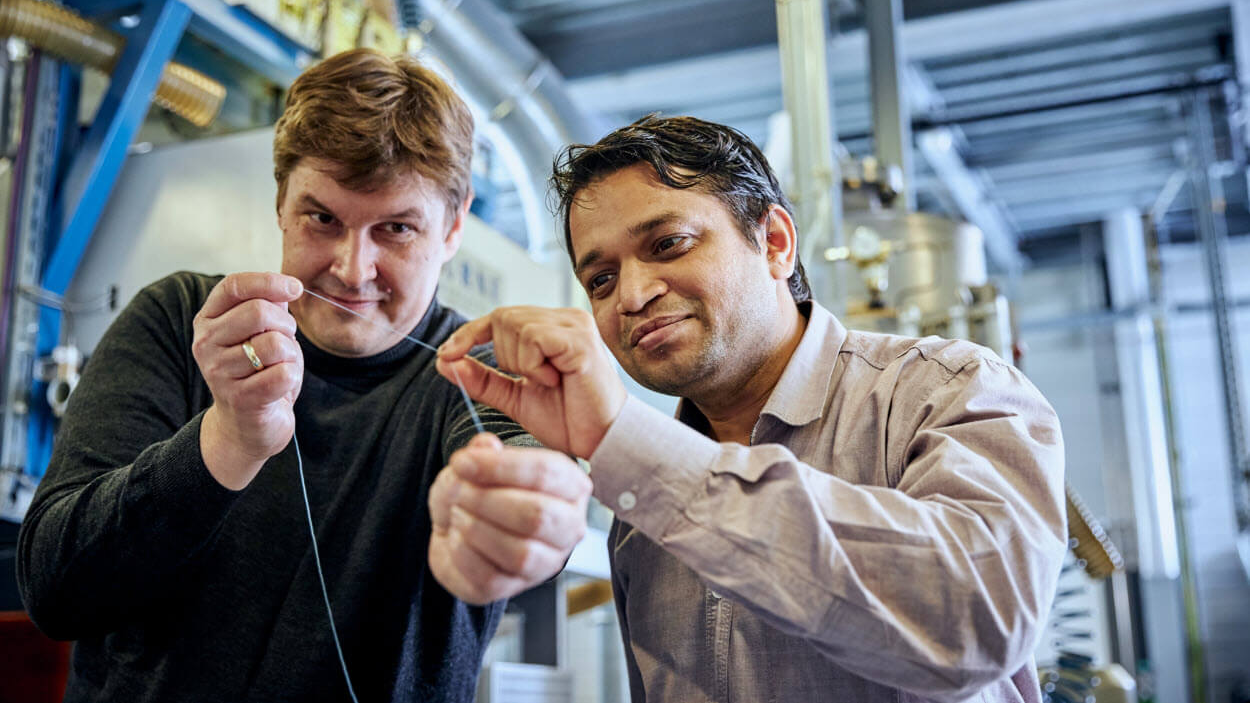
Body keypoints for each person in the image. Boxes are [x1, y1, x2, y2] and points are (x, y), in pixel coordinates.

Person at [17, 49, 590, 703]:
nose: (353, 268)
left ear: (453, 229)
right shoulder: (181, 323)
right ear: (281, 205)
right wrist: (228, 438)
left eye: (396, 229)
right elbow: (55, 591)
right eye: (323, 218)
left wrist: (525, 504)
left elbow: (520, 464)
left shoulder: (477, 366)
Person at [435, 114, 1068, 702]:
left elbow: (976, 617)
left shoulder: (946, 391)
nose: (632, 294)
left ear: (774, 242)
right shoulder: (640, 512)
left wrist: (628, 444)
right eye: (599, 280)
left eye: (669, 243)